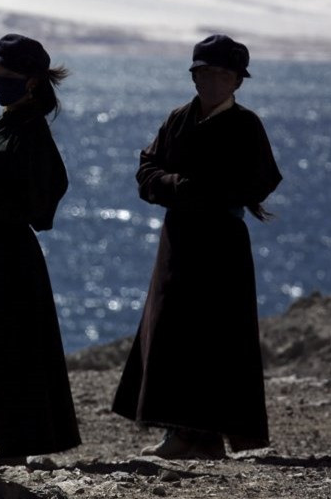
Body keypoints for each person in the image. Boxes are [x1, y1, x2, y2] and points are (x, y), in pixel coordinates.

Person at [112, 33, 282, 459]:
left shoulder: (246, 126)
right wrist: (178, 188)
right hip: (178, 241)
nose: (212, 81)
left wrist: (209, 193)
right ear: (193, 76)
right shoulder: (177, 119)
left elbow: (262, 179)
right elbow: (147, 168)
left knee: (215, 337)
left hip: (222, 245)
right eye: (204, 72)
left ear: (238, 82)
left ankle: (206, 437)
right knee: (171, 330)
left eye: (222, 74)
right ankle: (178, 432)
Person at [0, 33, 81, 459]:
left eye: (8, 74)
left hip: (9, 256)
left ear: (32, 81)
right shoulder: (7, 123)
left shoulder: (29, 130)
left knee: (9, 347)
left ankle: (14, 440)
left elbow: (41, 197)